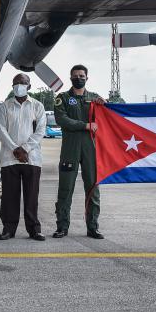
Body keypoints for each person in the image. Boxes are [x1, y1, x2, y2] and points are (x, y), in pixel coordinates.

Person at [53, 64, 106, 239]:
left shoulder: (95, 98)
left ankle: (93, 227)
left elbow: (105, 119)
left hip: (91, 148)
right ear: (70, 78)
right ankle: (62, 226)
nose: (79, 78)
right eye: (75, 75)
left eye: (82, 75)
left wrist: (104, 105)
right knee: (65, 189)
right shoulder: (63, 98)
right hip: (70, 149)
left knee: (92, 187)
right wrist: (85, 125)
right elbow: (62, 119)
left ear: (87, 78)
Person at [0, 73, 46, 241]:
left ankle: (34, 229)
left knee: (32, 195)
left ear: (29, 86)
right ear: (12, 87)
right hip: (9, 158)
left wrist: (24, 149)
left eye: (22, 83)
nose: (19, 86)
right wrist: (15, 149)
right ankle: (8, 229)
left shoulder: (38, 106)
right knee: (10, 195)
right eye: (16, 83)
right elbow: (1, 130)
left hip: (32, 158)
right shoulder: (5, 106)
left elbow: (40, 132)